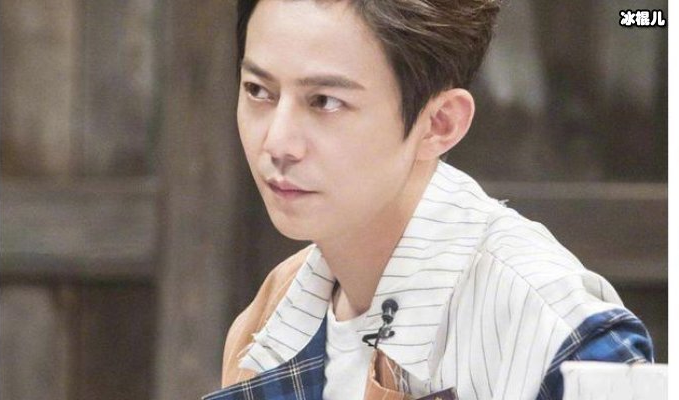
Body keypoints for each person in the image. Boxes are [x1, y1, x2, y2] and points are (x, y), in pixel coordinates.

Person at [203, 1, 654, 399]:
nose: (277, 143)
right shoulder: (269, 319)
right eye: (258, 91)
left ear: (439, 123)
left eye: (325, 101)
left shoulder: (553, 328)